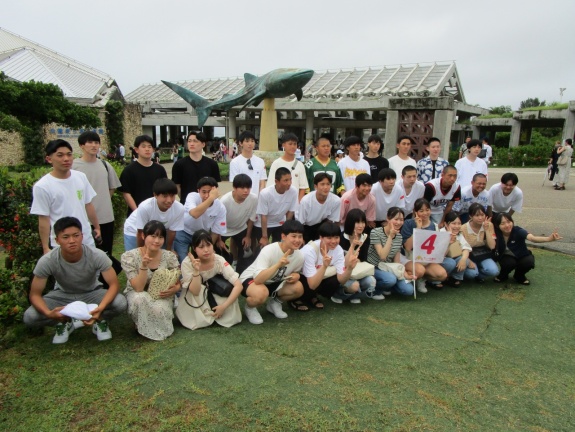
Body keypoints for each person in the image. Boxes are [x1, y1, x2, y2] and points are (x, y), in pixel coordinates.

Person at [23, 217, 127, 344]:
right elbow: (34, 294)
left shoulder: (96, 255)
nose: (72, 241)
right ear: (57, 240)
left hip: (92, 292)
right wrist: (49, 313)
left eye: (76, 235)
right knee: (30, 316)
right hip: (62, 295)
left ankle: (99, 320)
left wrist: (101, 308)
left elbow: (114, 285)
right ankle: (64, 322)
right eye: (65, 237)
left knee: (120, 303)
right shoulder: (48, 260)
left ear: (82, 236)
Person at [31, 139, 100, 254]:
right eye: (60, 155)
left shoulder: (81, 177)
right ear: (49, 159)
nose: (66, 159)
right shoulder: (42, 186)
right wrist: (45, 247)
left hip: (86, 239)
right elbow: (43, 218)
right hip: (62, 243)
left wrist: (97, 227)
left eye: (69, 154)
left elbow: (88, 204)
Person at [121, 220, 181, 341]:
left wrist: (176, 289)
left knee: (159, 309)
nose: (157, 241)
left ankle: (152, 327)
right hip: (138, 293)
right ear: (143, 236)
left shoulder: (169, 256)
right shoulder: (130, 256)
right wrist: (143, 266)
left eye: (160, 237)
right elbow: (138, 288)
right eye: (153, 236)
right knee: (140, 299)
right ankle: (141, 326)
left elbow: (177, 279)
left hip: (161, 295)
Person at [239, 220, 305, 324]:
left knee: (298, 288)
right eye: (293, 236)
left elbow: (296, 272)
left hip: (274, 281)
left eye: (300, 236)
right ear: (283, 236)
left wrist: (296, 276)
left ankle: (274, 304)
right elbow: (258, 279)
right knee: (261, 293)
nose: (297, 240)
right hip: (252, 279)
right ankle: (250, 308)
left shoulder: (299, 255)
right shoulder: (269, 250)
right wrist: (278, 265)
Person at [177, 230, 243, 329]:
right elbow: (195, 291)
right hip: (196, 295)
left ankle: (217, 311)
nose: (206, 250)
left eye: (209, 245)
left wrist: (224, 306)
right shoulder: (187, 263)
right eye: (201, 247)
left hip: (215, 289)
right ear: (194, 248)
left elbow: (238, 285)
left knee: (229, 309)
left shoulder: (218, 260)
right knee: (199, 293)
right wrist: (196, 271)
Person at [73, 131, 121, 259]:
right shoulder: (73, 167)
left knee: (105, 255)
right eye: (90, 142)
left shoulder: (105, 165)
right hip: (83, 219)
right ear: (81, 146)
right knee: (84, 255)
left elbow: (112, 187)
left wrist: (103, 200)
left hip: (105, 217)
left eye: (96, 142)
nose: (94, 145)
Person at [293, 221, 359, 311]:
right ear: (321, 238)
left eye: (336, 237)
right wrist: (324, 266)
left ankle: (313, 296)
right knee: (308, 283)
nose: (333, 241)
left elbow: (341, 280)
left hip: (317, 277)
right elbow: (312, 285)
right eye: (329, 238)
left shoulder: (338, 249)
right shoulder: (310, 250)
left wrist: (349, 268)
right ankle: (296, 299)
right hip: (301, 278)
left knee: (334, 281)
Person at [493, 213, 562, 285]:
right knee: (508, 263)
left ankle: (519, 276)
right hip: (506, 256)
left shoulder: (518, 230)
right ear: (497, 225)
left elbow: (532, 238)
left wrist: (549, 239)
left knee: (528, 262)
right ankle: (503, 275)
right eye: (503, 223)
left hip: (521, 255)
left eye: (509, 222)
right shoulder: (496, 233)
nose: (507, 225)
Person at [174, 176, 227, 263]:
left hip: (201, 235)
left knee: (202, 261)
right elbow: (195, 214)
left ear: (216, 191)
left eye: (210, 192)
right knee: (183, 261)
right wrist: (211, 198)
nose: (206, 195)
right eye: (204, 192)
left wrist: (209, 247)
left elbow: (216, 231)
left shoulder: (220, 207)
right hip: (183, 231)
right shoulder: (192, 196)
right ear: (198, 191)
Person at [400, 198, 448, 293]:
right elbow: (408, 247)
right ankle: (408, 277)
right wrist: (418, 229)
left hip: (426, 259)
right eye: (421, 211)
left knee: (442, 275)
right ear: (415, 212)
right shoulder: (408, 223)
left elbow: (437, 249)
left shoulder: (434, 226)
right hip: (410, 257)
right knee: (420, 270)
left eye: (427, 210)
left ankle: (421, 279)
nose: (425, 213)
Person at [123, 179, 184, 252]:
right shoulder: (145, 207)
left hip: (158, 232)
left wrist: (168, 251)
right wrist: (141, 253)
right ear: (155, 195)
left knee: (160, 256)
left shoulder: (179, 208)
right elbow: (140, 232)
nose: (169, 200)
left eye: (172, 196)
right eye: (165, 196)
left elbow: (172, 232)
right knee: (134, 256)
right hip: (134, 230)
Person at [367, 207, 416, 297]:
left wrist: (405, 274)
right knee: (390, 279)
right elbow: (382, 256)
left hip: (389, 267)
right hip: (375, 267)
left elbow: (396, 261)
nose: (399, 222)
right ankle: (374, 291)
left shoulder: (399, 237)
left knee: (408, 290)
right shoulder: (375, 232)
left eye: (401, 220)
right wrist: (390, 237)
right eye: (396, 219)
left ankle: (388, 287)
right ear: (388, 218)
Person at [333, 209, 376, 304]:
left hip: (357, 271)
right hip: (342, 273)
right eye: (357, 222)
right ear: (350, 222)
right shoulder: (340, 237)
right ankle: (337, 294)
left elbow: (364, 259)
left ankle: (352, 295)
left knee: (371, 281)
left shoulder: (365, 238)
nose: (361, 225)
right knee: (354, 286)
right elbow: (339, 262)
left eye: (363, 222)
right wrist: (352, 247)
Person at [118, 135, 168, 217]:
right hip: (135, 214)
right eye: (143, 146)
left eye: (149, 146)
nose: (147, 149)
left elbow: (165, 191)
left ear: (153, 149)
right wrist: (137, 212)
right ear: (136, 149)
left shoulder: (160, 169)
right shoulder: (129, 170)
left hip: (157, 214)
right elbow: (126, 194)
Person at [220, 174, 258, 274]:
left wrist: (248, 236)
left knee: (246, 251)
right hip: (224, 230)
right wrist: (219, 239)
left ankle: (241, 272)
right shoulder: (225, 201)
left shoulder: (254, 198)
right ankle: (225, 270)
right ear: (234, 188)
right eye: (242, 188)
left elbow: (251, 219)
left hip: (241, 228)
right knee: (218, 250)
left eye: (248, 187)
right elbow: (217, 222)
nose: (246, 191)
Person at [172, 131, 221, 204]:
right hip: (187, 205)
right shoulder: (179, 164)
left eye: (195, 141)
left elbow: (215, 186)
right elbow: (177, 186)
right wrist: (187, 201)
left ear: (203, 144)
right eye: (189, 141)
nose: (191, 144)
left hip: (207, 204)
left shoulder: (212, 164)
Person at [255, 167, 298, 249]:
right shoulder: (265, 193)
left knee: (279, 248)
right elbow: (263, 215)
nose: (289, 183)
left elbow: (291, 212)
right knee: (263, 248)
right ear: (276, 181)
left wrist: (285, 230)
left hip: (279, 222)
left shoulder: (293, 191)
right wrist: (264, 236)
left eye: (290, 179)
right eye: (285, 180)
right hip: (263, 224)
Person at [460, 203, 499, 283]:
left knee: (494, 271)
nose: (480, 218)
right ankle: (472, 273)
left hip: (483, 253)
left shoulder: (489, 225)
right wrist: (468, 261)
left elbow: (492, 246)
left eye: (482, 215)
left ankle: (479, 275)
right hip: (469, 254)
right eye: (477, 215)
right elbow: (461, 249)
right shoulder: (463, 228)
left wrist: (486, 230)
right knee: (471, 274)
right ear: (470, 216)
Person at [298, 172, 341, 242]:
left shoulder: (336, 200)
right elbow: (300, 223)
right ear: (315, 186)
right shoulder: (306, 201)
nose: (326, 187)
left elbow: (334, 221)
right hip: (305, 227)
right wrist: (301, 238)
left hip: (322, 226)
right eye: (322, 184)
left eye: (328, 184)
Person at [439, 212, 478, 286]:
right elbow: (439, 255)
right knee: (450, 263)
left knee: (470, 268)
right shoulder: (440, 233)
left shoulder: (459, 234)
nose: (457, 226)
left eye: (459, 223)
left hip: (454, 259)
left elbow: (466, 248)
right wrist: (449, 241)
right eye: (453, 223)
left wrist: (463, 260)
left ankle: (455, 278)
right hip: (442, 260)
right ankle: (438, 279)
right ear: (446, 224)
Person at [267, 133, 309, 201]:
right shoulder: (276, 163)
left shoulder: (300, 165)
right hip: (278, 202)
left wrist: (298, 203)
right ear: (283, 145)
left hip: (295, 204)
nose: (293, 146)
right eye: (290, 144)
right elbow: (270, 186)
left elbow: (302, 187)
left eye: (295, 144)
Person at [229, 130, 267, 196]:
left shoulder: (260, 161)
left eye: (252, 141)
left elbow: (262, 183)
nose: (250, 143)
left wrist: (261, 198)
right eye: (247, 141)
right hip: (242, 199)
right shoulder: (235, 162)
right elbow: (235, 184)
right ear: (241, 143)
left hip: (257, 199)